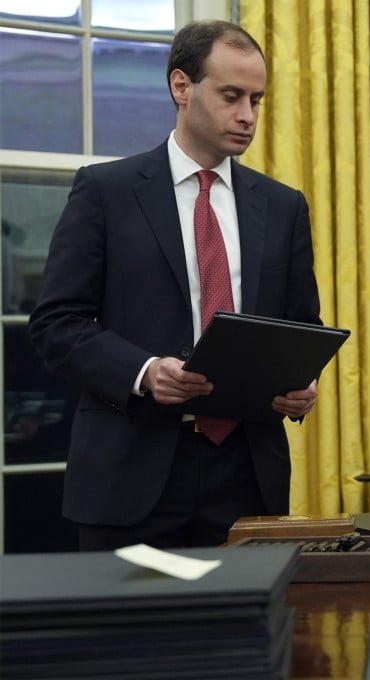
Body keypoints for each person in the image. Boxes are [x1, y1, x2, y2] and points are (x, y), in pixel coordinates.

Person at [28, 20, 322, 550]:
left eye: (257, 99)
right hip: (129, 471)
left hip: (248, 475)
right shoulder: (105, 191)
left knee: (248, 633)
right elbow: (55, 324)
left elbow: (302, 328)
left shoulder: (283, 207)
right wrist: (143, 372)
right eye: (232, 96)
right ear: (181, 87)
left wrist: (302, 384)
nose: (248, 116)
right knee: (128, 634)